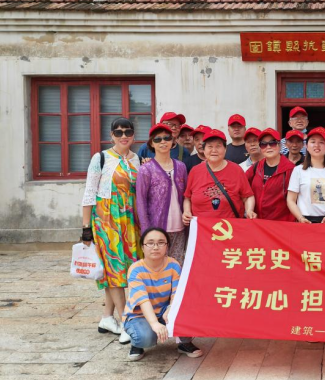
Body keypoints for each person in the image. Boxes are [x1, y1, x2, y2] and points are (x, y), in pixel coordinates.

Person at [81, 117, 141, 345]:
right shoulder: (101, 158)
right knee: (115, 269)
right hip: (107, 220)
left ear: (133, 135)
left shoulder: (137, 159)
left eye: (128, 132)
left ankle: (107, 317)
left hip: (130, 221)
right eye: (119, 132)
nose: (123, 136)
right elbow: (89, 193)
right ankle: (126, 321)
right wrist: (86, 228)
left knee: (121, 270)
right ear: (111, 135)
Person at [122, 228, 203, 361]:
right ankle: (137, 343)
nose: (155, 247)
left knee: (189, 311)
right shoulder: (136, 269)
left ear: (167, 246)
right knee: (145, 337)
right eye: (150, 243)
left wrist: (171, 309)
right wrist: (154, 323)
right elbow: (143, 300)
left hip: (164, 311)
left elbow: (177, 293)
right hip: (140, 314)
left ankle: (184, 343)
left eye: (161, 243)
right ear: (142, 247)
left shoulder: (173, 265)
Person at [135, 123, 188, 265]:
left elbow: (187, 195)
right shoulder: (146, 170)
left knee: (177, 265)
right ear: (152, 143)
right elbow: (141, 202)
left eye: (167, 138)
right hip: (156, 228)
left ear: (173, 141)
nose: (163, 142)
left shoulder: (181, 167)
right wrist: (146, 231)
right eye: (158, 139)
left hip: (179, 227)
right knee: (157, 266)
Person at [182, 129, 256, 223]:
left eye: (218, 146)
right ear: (204, 150)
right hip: (202, 228)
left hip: (230, 227)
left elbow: (248, 196)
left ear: (225, 149)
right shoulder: (195, 171)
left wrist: (249, 210)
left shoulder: (236, 170)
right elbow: (187, 198)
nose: (214, 150)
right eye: (210, 146)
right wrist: (187, 212)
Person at [287, 127, 325, 223]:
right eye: (313, 142)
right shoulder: (298, 170)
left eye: (321, 142)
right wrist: (300, 218)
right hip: (304, 222)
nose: (317, 145)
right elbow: (290, 199)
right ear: (306, 146)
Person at [245, 128, 296, 221]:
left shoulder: (291, 170)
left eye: (272, 143)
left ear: (280, 145)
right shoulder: (256, 167)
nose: (268, 147)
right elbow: (242, 186)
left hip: (281, 224)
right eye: (263, 144)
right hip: (258, 222)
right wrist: (249, 209)